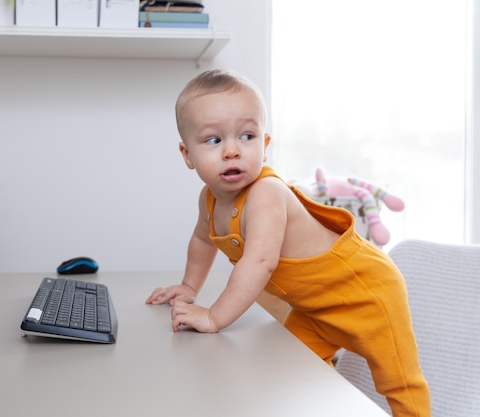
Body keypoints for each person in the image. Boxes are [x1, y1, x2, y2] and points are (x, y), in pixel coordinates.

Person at [145, 69, 430, 417]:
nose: (232, 151)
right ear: (187, 154)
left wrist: (214, 316)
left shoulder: (266, 193)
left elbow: (259, 263)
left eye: (246, 136)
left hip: (368, 293)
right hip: (314, 307)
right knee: (288, 371)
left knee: (397, 380)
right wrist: (189, 287)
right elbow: (202, 241)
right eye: (214, 140)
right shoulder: (209, 199)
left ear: (264, 146)